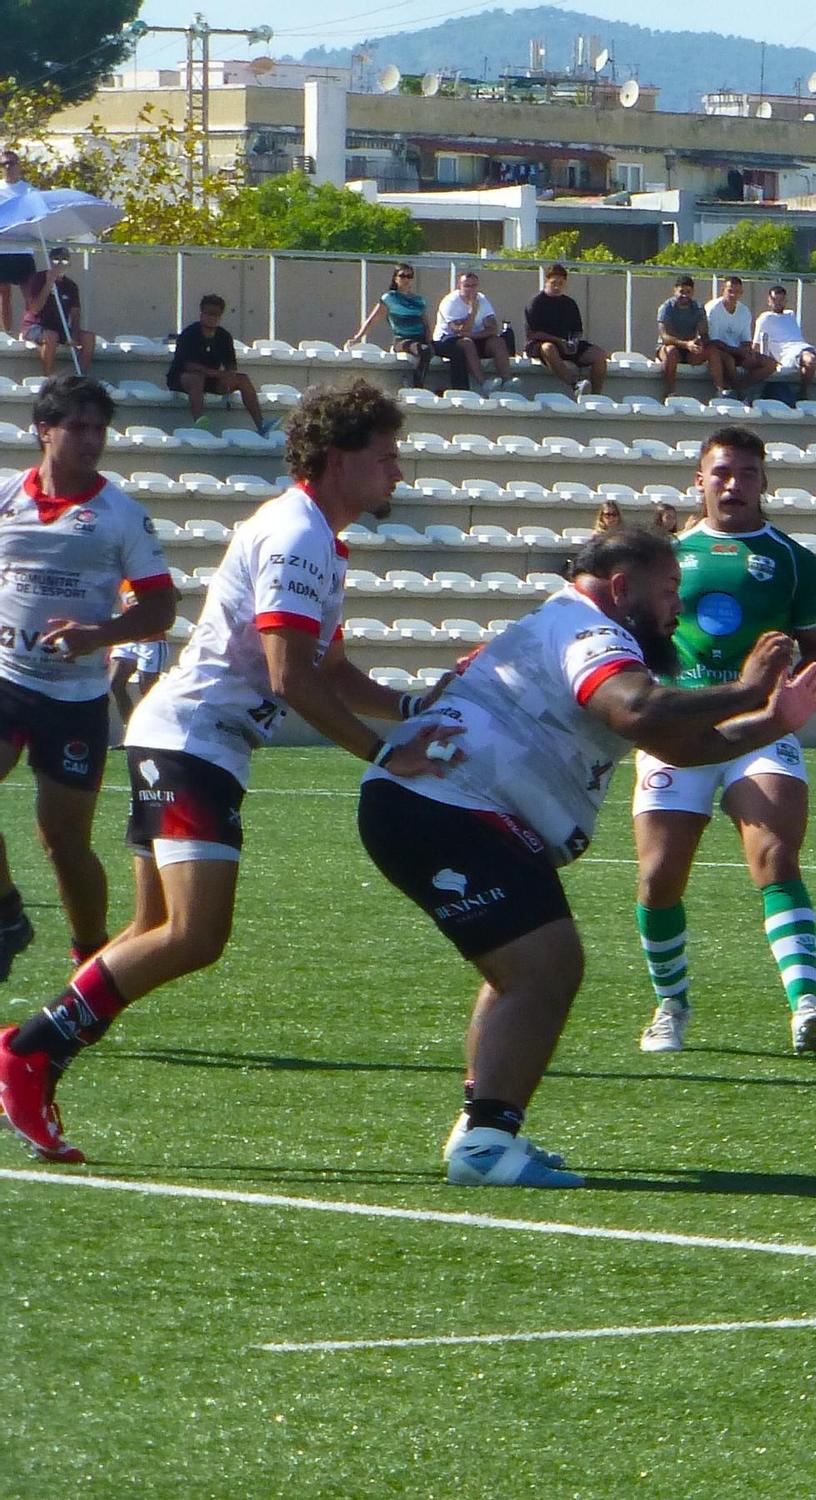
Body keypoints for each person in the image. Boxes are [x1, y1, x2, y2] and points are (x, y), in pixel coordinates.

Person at [0, 380, 461, 1164]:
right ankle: (29, 1052)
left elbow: (331, 666)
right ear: (338, 457)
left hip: (191, 738)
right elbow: (289, 676)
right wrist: (383, 753)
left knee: (154, 931)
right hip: (192, 740)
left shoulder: (318, 535)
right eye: (386, 456)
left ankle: (31, 1051)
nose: (399, 472)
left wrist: (413, 705)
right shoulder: (296, 535)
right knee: (195, 933)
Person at [362, 527, 816, 1186]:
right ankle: (488, 1146)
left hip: (442, 806)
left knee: (525, 967)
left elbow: (679, 745)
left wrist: (774, 722)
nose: (679, 608)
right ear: (621, 587)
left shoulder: (573, 625)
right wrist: (748, 688)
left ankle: (482, 1132)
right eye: (669, 591)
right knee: (545, 967)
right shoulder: (594, 631)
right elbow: (638, 712)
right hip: (445, 806)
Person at [631, 427, 816, 1058]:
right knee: (659, 876)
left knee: (774, 856)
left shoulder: (795, 559)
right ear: (699, 480)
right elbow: (639, 638)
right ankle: (671, 1004)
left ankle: (805, 1001)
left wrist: (793, 700)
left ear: (763, 482)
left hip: (763, 726)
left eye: (746, 473)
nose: (732, 483)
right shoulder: (668, 556)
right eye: (720, 472)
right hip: (682, 723)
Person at [0, 377, 174, 988]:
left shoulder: (120, 515)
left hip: (73, 698)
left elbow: (160, 610)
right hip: (7, 680)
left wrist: (97, 634)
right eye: (77, 426)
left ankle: (91, 959)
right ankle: (6, 914)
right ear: (44, 430)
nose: (92, 439)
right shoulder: (4, 498)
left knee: (63, 842)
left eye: (99, 428)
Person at [166, 294, 268, 434]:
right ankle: (199, 422)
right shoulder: (189, 334)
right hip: (183, 378)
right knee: (197, 378)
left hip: (211, 380)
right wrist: (216, 373)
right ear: (201, 313)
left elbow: (230, 364)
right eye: (208, 313)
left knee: (243, 379)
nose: (212, 317)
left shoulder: (224, 336)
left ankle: (261, 424)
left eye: (216, 314)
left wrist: (229, 376)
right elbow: (188, 365)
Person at [344, 263, 435, 390]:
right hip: (403, 340)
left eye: (409, 276)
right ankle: (417, 388)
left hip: (421, 338)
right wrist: (358, 337)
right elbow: (372, 319)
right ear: (395, 278)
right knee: (424, 351)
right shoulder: (390, 298)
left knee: (447, 350)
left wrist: (430, 340)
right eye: (402, 276)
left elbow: (426, 322)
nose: (406, 279)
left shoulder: (419, 300)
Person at [524, 263, 608, 398]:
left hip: (565, 344)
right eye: (554, 283)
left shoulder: (569, 303)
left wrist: (573, 343)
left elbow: (577, 330)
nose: (557, 287)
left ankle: (595, 396)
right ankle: (574, 384)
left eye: (561, 283)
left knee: (599, 355)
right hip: (540, 344)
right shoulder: (536, 302)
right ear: (546, 281)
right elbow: (532, 333)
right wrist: (558, 341)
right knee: (548, 348)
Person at [433, 270, 510, 394]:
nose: (470, 289)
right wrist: (473, 311)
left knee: (498, 341)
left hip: (472, 337)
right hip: (446, 340)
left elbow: (493, 328)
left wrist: (473, 335)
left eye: (474, 286)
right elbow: (459, 331)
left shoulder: (482, 299)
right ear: (460, 286)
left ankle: (507, 381)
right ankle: (483, 382)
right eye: (467, 286)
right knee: (467, 343)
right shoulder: (451, 302)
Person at [20, 250, 94, 379]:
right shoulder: (37, 279)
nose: (60, 263)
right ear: (49, 261)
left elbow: (75, 314)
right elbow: (35, 308)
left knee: (88, 337)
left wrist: (74, 335)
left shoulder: (71, 286)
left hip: (60, 327)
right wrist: (49, 284)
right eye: (56, 260)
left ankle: (80, 377)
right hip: (35, 326)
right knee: (51, 336)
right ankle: (49, 377)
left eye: (64, 260)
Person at [704, 275, 776, 396]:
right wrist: (738, 352)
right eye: (730, 291)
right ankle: (733, 392)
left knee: (770, 364)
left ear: (741, 293)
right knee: (729, 361)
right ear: (722, 290)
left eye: (737, 292)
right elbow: (713, 341)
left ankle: (740, 387)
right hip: (718, 351)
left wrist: (748, 352)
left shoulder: (744, 311)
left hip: (738, 352)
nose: (733, 295)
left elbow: (746, 340)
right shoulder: (712, 309)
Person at [656, 273, 724, 398]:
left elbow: (704, 333)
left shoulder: (698, 307)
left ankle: (720, 391)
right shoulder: (666, 308)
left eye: (688, 292)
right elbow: (665, 337)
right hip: (669, 348)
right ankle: (670, 392)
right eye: (681, 291)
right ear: (675, 290)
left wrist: (700, 343)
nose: (684, 295)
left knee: (713, 351)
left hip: (690, 350)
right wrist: (686, 344)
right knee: (671, 351)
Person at [751, 284, 816, 400]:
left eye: (781, 300)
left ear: (786, 301)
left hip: (806, 347)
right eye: (774, 300)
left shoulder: (791, 315)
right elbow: (756, 345)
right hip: (791, 354)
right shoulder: (765, 318)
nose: (778, 303)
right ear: (769, 301)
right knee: (810, 360)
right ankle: (803, 393)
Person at [0, 149, 34, 332]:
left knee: (29, 294)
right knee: (4, 295)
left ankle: (29, 331)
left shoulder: (29, 190)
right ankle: (7, 333)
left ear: (18, 165)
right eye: (4, 164)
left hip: (23, 250)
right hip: (2, 250)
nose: (7, 167)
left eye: (11, 163)